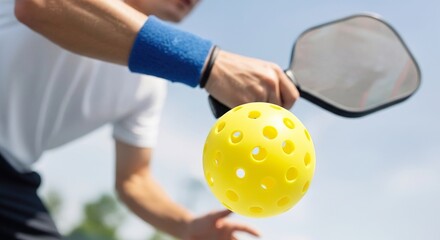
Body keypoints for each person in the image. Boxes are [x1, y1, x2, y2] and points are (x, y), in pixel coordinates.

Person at [0, 0, 299, 239]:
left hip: (12, 178)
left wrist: (185, 226)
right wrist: (209, 63)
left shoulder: (148, 84)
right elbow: (37, 5)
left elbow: (134, 178)